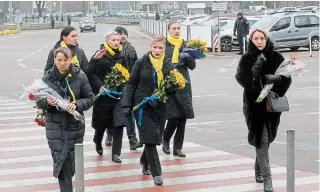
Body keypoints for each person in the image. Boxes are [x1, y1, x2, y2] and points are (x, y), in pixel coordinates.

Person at [235, 29, 292, 192]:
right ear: (251, 40)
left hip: (272, 105)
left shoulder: (277, 57)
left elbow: (287, 78)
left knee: (269, 138)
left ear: (266, 39)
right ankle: (268, 180)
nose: (259, 41)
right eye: (255, 39)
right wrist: (256, 68)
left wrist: (277, 79)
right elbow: (241, 79)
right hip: (254, 105)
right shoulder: (247, 58)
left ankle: (258, 168)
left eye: (261, 38)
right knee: (261, 139)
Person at [122, 34, 177, 186]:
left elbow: (174, 87)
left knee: (154, 138)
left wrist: (170, 87)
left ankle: (144, 161)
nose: (157, 50)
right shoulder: (142, 62)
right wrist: (126, 104)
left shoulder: (168, 64)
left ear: (164, 49)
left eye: (160, 48)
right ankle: (157, 174)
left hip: (160, 107)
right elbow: (130, 84)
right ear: (150, 47)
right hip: (142, 106)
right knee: (151, 139)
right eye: (155, 47)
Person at [36, 47, 93, 192]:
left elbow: (89, 99)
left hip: (75, 126)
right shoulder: (47, 78)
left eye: (65, 60)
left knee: (71, 162)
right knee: (61, 161)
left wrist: (76, 104)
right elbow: (38, 100)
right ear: (55, 60)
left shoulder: (80, 76)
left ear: (71, 60)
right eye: (59, 60)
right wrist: (46, 102)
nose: (62, 63)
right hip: (55, 125)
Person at [88, 31, 129, 163]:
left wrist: (124, 86)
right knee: (101, 124)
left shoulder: (123, 55)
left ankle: (116, 153)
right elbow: (90, 72)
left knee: (119, 123)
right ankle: (98, 140)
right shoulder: (100, 53)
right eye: (114, 40)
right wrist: (100, 85)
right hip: (103, 95)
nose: (117, 42)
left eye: (118, 40)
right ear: (107, 41)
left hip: (118, 96)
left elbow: (128, 72)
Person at [104, 26, 142, 151]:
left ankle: (132, 140)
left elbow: (136, 67)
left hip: (128, 86)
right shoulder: (108, 50)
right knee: (111, 113)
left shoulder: (131, 49)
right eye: (120, 33)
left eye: (124, 33)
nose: (122, 35)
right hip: (112, 87)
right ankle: (109, 134)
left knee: (128, 112)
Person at [162, 21, 196, 158]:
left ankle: (177, 148)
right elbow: (161, 63)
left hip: (184, 84)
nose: (176, 31)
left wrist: (188, 58)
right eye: (174, 28)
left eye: (178, 28)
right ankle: (165, 138)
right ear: (168, 30)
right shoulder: (164, 45)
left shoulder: (185, 44)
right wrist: (174, 63)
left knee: (183, 116)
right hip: (171, 83)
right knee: (174, 116)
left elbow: (192, 66)